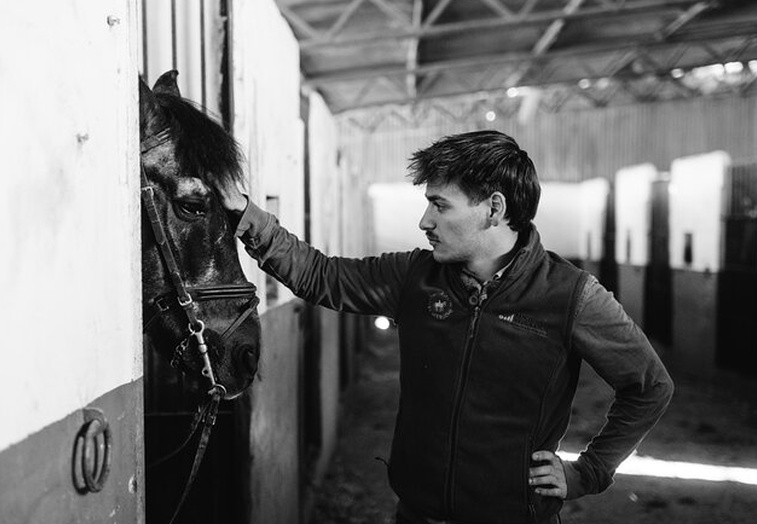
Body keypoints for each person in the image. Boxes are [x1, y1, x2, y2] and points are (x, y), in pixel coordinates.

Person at [221, 130, 674, 524]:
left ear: (493, 209)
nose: (425, 222)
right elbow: (321, 276)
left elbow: (649, 385)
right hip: (417, 514)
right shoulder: (414, 277)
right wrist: (244, 213)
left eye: (440, 205)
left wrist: (589, 472)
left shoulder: (572, 295)